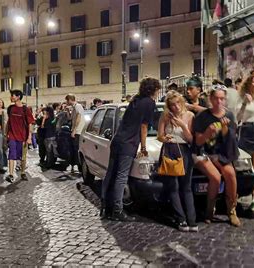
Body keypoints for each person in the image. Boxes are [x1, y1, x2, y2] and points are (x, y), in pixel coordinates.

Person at [101, 78, 160, 221]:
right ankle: (117, 211)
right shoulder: (149, 103)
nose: (158, 93)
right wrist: (144, 147)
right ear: (153, 90)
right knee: (121, 177)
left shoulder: (135, 100)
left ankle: (106, 208)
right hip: (129, 143)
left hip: (118, 140)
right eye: (157, 90)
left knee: (111, 174)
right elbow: (144, 126)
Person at [193, 85, 241, 227]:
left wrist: (225, 130)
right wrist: (208, 132)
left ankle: (231, 211)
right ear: (211, 99)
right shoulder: (202, 116)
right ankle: (209, 210)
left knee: (230, 174)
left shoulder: (229, 116)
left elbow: (231, 142)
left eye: (222, 99)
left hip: (221, 153)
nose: (219, 102)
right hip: (203, 153)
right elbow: (198, 141)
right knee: (215, 177)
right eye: (216, 98)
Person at [157, 90, 197, 232]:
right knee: (173, 187)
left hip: (185, 151)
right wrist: (165, 138)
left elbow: (191, 139)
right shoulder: (165, 116)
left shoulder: (190, 116)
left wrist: (182, 125)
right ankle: (181, 219)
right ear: (169, 106)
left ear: (182, 102)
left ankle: (192, 221)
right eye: (172, 105)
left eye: (178, 103)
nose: (176, 107)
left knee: (186, 187)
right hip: (170, 150)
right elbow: (160, 136)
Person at [236, 74, 254, 211]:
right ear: (249, 84)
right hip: (246, 129)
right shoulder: (242, 100)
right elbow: (238, 118)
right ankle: (253, 196)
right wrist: (244, 104)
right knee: (249, 167)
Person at [5, 90, 34, 182]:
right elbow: (8, 122)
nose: (11, 97)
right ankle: (10, 174)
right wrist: (6, 134)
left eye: (12, 96)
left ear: (18, 97)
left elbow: (30, 124)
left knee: (22, 156)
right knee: (11, 155)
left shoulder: (26, 109)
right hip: (12, 135)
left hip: (23, 137)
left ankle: (23, 172)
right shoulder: (10, 108)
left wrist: (29, 137)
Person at [65, 94, 85, 173]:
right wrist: (67, 111)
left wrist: (74, 130)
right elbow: (70, 118)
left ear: (70, 99)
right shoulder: (73, 108)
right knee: (72, 148)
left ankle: (76, 165)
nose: (66, 102)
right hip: (74, 131)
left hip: (77, 131)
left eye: (67, 100)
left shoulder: (78, 106)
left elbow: (78, 118)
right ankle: (72, 164)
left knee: (76, 148)